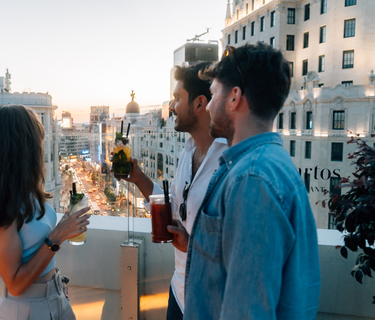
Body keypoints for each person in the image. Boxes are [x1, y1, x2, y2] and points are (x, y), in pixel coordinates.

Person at [184, 42, 321, 319]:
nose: (208, 106)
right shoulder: (270, 164)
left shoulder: (251, 180)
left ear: (234, 98)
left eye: (213, 94)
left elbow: (246, 311)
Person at [0, 105, 90, 319]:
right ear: (19, 149)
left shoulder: (24, 194)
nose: (40, 149)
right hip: (29, 309)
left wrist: (57, 285)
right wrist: (58, 235)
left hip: (54, 297)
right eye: (37, 142)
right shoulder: (0, 209)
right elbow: (16, 284)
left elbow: (35, 245)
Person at [121, 62, 227, 319]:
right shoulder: (187, 152)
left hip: (210, 304)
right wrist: (138, 178)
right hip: (179, 293)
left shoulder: (228, 162)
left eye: (177, 98)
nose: (171, 106)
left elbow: (237, 247)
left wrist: (191, 245)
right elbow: (174, 207)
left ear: (200, 104)